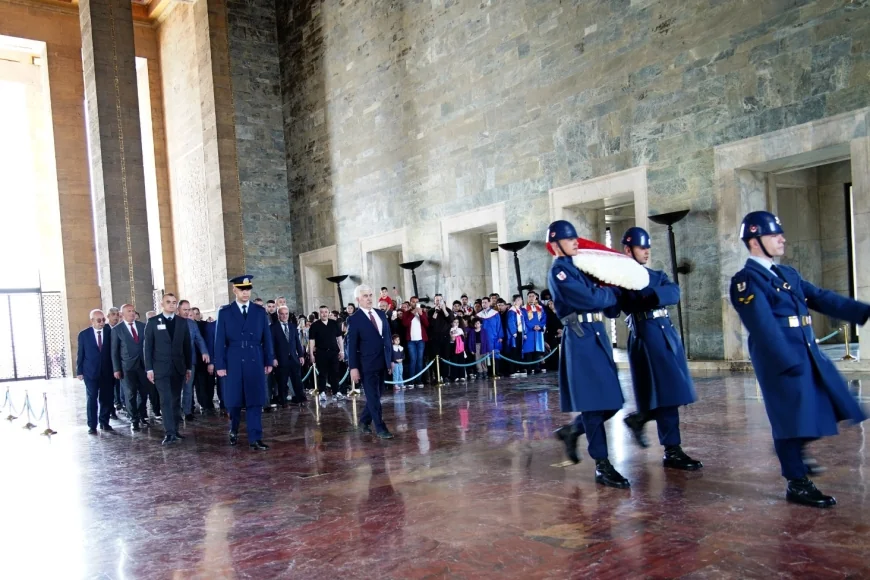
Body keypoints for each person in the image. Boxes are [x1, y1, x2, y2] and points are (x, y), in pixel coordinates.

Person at [730, 211, 870, 508]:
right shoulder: (746, 281)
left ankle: (799, 447)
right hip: (779, 357)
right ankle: (797, 482)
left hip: (806, 351)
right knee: (789, 419)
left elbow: (820, 297)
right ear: (754, 242)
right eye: (774, 235)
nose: (782, 239)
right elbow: (763, 326)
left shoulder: (786, 274)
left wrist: (862, 311)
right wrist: (786, 362)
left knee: (831, 400)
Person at [547, 220, 629, 489]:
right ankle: (602, 465)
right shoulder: (559, 271)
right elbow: (591, 299)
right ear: (556, 244)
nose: (575, 243)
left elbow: (603, 300)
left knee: (613, 401)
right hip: (581, 336)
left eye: (575, 239)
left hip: (597, 334)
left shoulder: (579, 267)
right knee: (594, 404)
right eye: (570, 240)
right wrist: (609, 292)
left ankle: (572, 430)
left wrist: (605, 292)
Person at [618, 227, 702, 471]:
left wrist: (650, 294)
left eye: (647, 248)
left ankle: (642, 419)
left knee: (673, 390)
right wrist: (653, 295)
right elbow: (628, 301)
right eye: (641, 248)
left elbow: (674, 292)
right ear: (628, 250)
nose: (646, 252)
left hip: (665, 331)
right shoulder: (621, 278)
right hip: (646, 332)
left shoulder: (656, 274)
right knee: (669, 391)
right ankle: (671, 448)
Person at [214, 275, 274, 450]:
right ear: (234, 290)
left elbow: (267, 338)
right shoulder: (225, 312)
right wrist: (220, 365)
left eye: (248, 289)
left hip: (255, 357)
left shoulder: (259, 311)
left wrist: (269, 359)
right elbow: (219, 341)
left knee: (255, 400)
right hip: (233, 358)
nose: (245, 292)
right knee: (234, 401)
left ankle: (255, 438)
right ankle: (233, 429)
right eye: (242, 289)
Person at [346, 284, 395, 439]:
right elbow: (351, 345)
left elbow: (387, 338)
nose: (368, 298)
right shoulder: (354, 319)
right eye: (365, 296)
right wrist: (353, 367)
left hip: (383, 362)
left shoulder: (381, 314)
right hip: (366, 364)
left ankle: (364, 421)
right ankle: (380, 428)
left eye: (370, 295)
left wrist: (391, 359)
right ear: (358, 299)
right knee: (373, 397)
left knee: (378, 394)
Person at [143, 294, 192, 445]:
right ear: (162, 304)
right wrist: (149, 369)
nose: (171, 305)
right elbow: (148, 347)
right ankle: (169, 432)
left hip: (178, 368)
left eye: (174, 302)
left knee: (176, 400)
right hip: (160, 368)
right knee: (165, 400)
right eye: (168, 302)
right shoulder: (152, 322)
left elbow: (187, 346)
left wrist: (189, 367)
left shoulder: (182, 322)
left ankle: (175, 430)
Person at [111, 304, 149, 431]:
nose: (132, 313)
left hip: (142, 366)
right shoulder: (117, 330)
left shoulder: (142, 326)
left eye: (133, 311)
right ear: (122, 314)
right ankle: (134, 419)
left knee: (143, 393)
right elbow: (114, 351)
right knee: (130, 393)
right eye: (129, 311)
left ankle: (141, 414)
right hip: (127, 367)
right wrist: (116, 369)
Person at [76, 309, 115, 434]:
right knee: (92, 398)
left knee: (107, 398)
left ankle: (104, 422)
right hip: (90, 372)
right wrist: (79, 371)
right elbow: (80, 354)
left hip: (107, 371)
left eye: (103, 320)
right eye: (99, 320)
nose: (102, 322)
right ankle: (92, 425)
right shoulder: (84, 335)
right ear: (92, 321)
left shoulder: (110, 332)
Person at [178, 300, 210, 421]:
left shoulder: (192, 324)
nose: (187, 312)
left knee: (188, 387)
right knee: (176, 389)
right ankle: (176, 412)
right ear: (178, 310)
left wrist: (204, 351)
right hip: (175, 361)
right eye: (184, 310)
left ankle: (187, 412)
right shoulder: (173, 323)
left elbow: (199, 339)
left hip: (190, 361)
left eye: (188, 309)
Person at [271, 305, 307, 406]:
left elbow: (297, 342)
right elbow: (271, 345)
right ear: (278, 315)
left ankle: (300, 399)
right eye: (282, 314)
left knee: (297, 380)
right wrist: (273, 358)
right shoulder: (273, 328)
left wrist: (301, 355)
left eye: (286, 314)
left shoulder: (292, 326)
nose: (284, 316)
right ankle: (283, 401)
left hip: (294, 359)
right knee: (282, 382)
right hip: (281, 359)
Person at [308, 305, 345, 401]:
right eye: (322, 312)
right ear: (319, 313)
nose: (324, 314)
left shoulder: (334, 323)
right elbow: (311, 340)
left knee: (335, 373)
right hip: (321, 352)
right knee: (322, 373)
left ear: (328, 313)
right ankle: (322, 392)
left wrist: (342, 350)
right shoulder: (315, 325)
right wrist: (311, 354)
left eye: (326, 312)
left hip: (334, 352)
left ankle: (336, 392)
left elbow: (339, 338)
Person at [401, 298, 429, 388]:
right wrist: (412, 313)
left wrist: (421, 314)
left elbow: (427, 324)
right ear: (410, 303)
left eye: (417, 302)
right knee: (413, 360)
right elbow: (405, 324)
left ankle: (419, 380)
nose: (415, 303)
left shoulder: (422, 312)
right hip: (411, 341)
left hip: (421, 340)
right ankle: (411, 381)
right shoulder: (406, 313)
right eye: (413, 302)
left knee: (420, 360)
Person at [522, 291, 547, 374]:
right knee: (528, 350)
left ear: (536, 297)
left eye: (533, 296)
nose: (531, 297)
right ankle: (529, 368)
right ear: (527, 297)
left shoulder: (540, 308)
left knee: (537, 350)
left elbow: (543, 318)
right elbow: (524, 320)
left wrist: (540, 326)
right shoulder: (524, 308)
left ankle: (537, 367)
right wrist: (533, 326)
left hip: (538, 332)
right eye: (530, 296)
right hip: (529, 331)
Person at [506, 295, 526, 377]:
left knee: (519, 350)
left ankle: (518, 368)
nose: (520, 301)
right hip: (514, 334)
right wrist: (514, 332)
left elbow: (523, 322)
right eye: (518, 300)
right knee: (513, 351)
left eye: (520, 300)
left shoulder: (519, 311)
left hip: (520, 332)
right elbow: (510, 322)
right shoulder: (512, 311)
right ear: (514, 301)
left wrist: (524, 333)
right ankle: (512, 370)